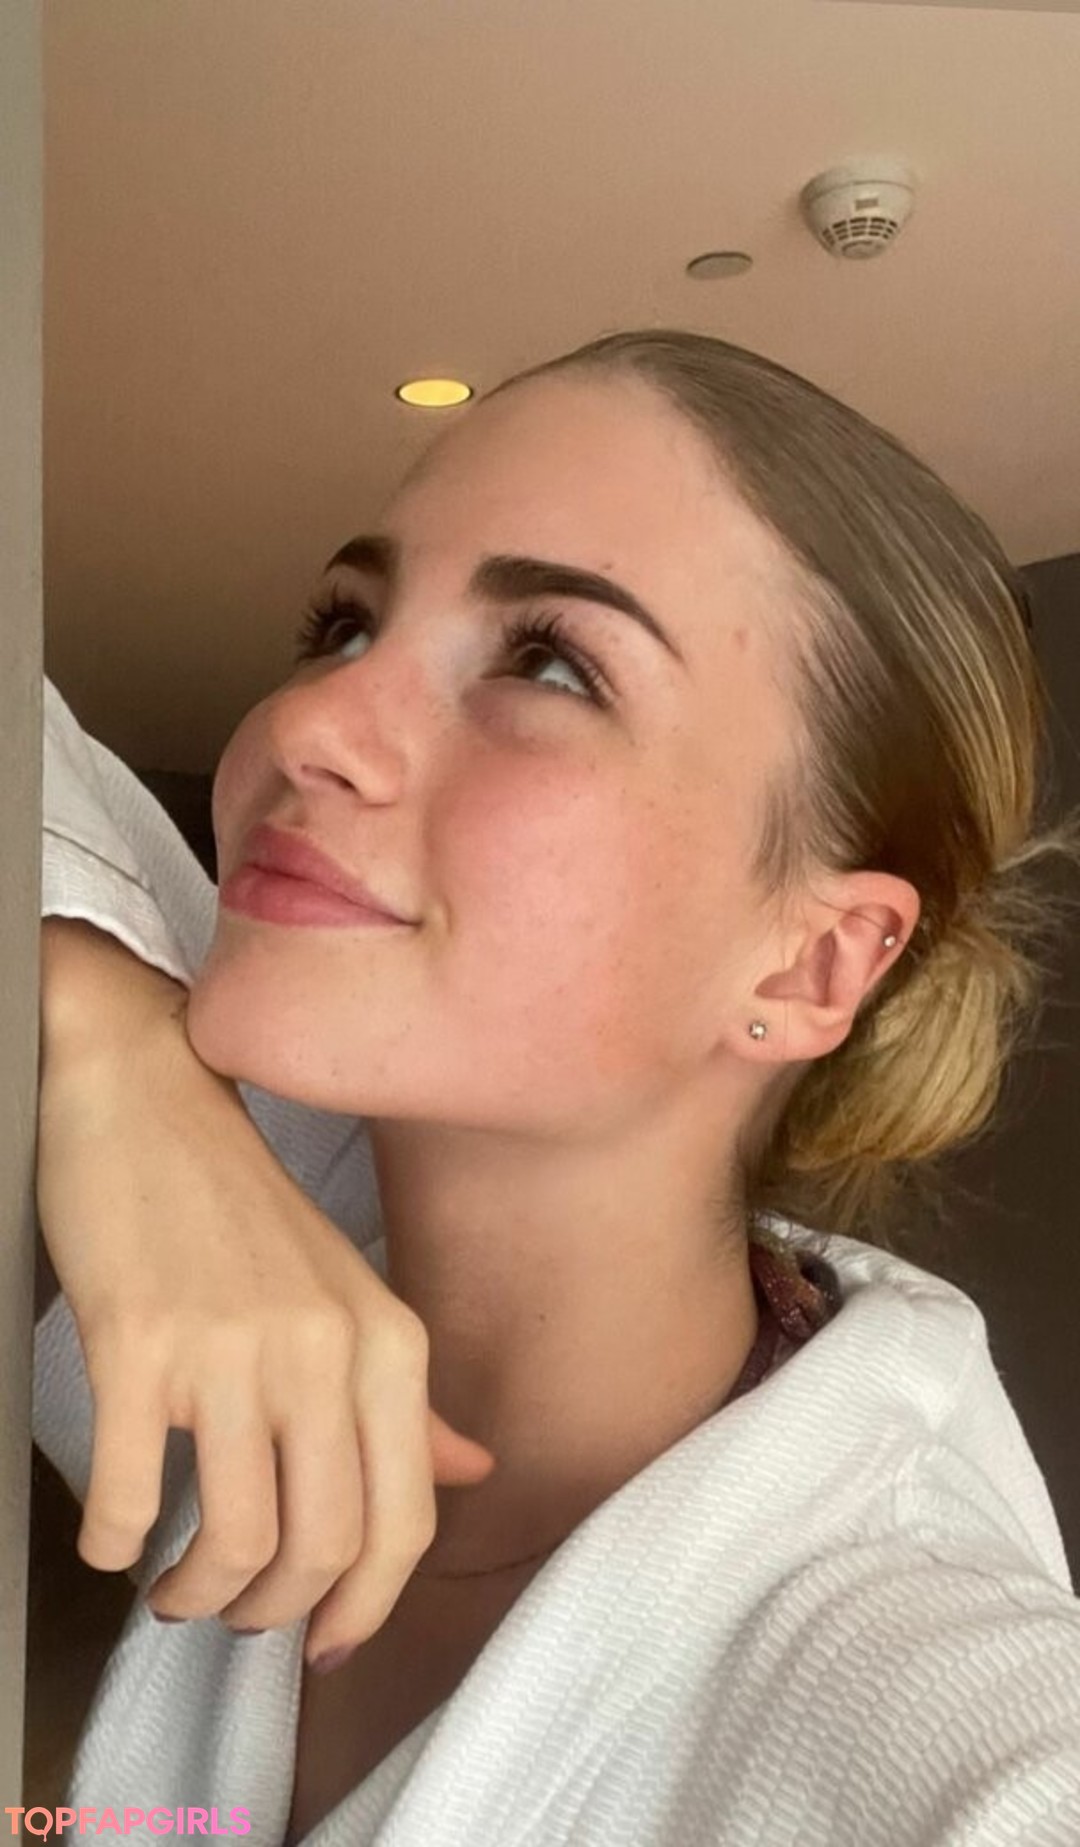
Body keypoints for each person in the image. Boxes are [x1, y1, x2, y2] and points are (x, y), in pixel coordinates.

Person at [33, 329, 1080, 1846]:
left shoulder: (946, 1715)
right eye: (342, 624)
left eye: (550, 665)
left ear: (811, 965)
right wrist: (100, 1031)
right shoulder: (203, 1242)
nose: (305, 724)